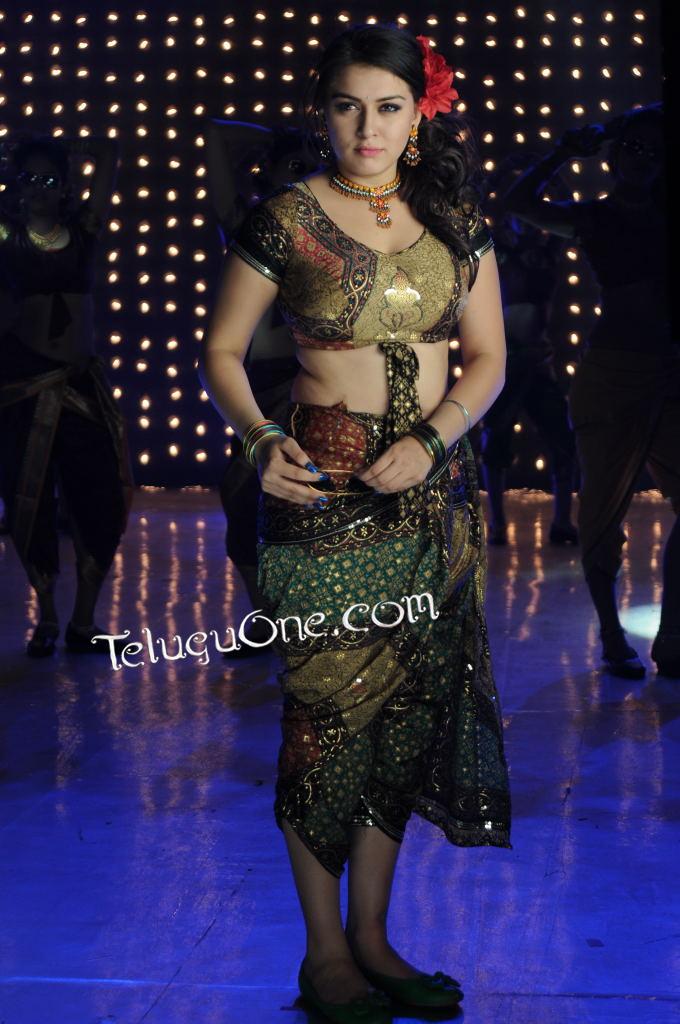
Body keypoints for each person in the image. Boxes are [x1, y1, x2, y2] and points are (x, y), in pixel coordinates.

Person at [201, 26, 510, 1024]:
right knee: (324, 722)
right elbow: (221, 351)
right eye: (346, 105)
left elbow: (488, 359)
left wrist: (433, 438)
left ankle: (373, 938)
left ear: (419, 115)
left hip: (432, 502)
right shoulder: (286, 218)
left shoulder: (455, 220)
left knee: (405, 721)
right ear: (321, 112)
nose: (366, 127)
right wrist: (259, 442)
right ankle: (323, 954)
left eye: (386, 106)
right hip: (322, 496)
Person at [505, 104, 679, 680]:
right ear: (613, 156)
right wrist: (562, 151)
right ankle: (610, 634)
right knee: (603, 512)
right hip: (611, 378)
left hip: (670, 374)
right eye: (634, 147)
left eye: (655, 150)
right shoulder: (595, 217)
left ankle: (674, 634)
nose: (643, 159)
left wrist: (638, 123)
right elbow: (519, 204)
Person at [0, 134, 132, 657]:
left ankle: (83, 621)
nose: (38, 188)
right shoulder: (7, 235)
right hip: (23, 386)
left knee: (98, 496)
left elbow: (111, 157)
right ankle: (47, 618)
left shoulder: (83, 231)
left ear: (64, 186)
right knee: (28, 498)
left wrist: (71, 146)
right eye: (28, 179)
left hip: (79, 384)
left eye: (48, 179)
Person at [206, 120, 315, 652]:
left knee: (313, 500)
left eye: (314, 168)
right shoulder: (249, 227)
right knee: (243, 499)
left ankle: (314, 621)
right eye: (293, 167)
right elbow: (215, 134)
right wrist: (279, 139)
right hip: (260, 383)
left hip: (317, 383)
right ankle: (266, 619)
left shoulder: (337, 230)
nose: (305, 177)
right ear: (266, 172)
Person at [481, 155, 577, 546]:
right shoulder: (495, 248)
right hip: (503, 363)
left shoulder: (548, 248)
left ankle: (562, 522)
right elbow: (478, 209)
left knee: (562, 440)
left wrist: (547, 171)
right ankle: (497, 524)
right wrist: (506, 176)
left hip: (538, 362)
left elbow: (568, 206)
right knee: (495, 441)